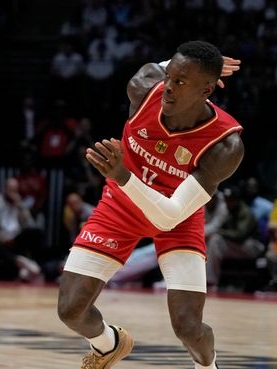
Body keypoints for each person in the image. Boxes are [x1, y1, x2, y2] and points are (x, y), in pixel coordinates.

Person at [57, 41, 243, 369]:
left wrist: (123, 175)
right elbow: (163, 69)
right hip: (120, 206)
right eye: (169, 76)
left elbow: (169, 215)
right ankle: (108, 345)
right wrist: (180, 65)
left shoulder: (225, 145)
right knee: (70, 310)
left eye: (181, 82)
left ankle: (207, 366)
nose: (168, 88)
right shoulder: (143, 88)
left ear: (208, 90)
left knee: (187, 328)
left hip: (178, 217)